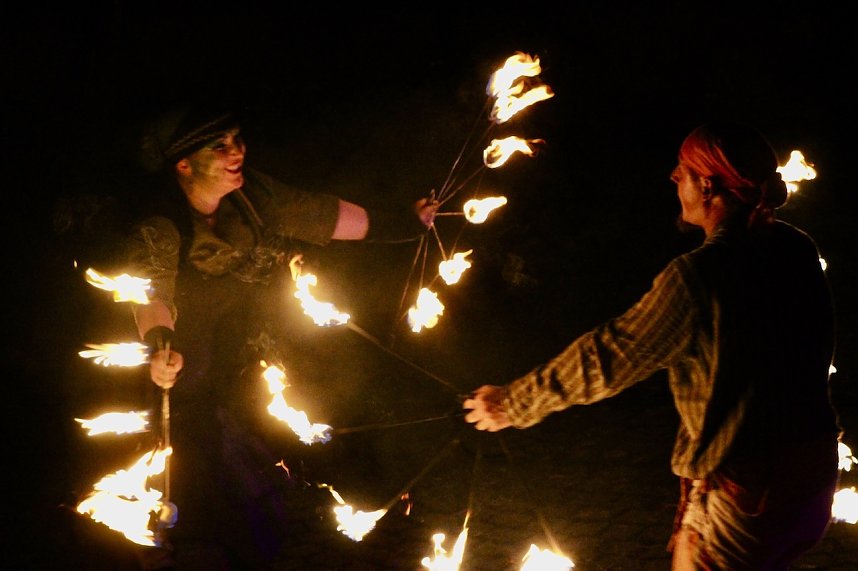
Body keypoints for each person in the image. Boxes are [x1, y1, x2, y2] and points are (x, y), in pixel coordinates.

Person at [462, 122, 842, 570]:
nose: (672, 178)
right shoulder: (796, 248)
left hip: (747, 499)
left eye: (682, 170)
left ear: (707, 185)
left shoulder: (698, 278)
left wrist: (511, 403)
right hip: (811, 485)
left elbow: (605, 358)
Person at [122, 98, 437, 570]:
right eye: (220, 145)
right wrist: (162, 347)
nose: (237, 152)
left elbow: (323, 215)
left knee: (256, 479)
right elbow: (151, 292)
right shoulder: (161, 224)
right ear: (184, 164)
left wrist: (406, 222)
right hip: (181, 369)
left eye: (238, 139)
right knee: (193, 481)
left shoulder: (256, 199)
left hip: (240, 358)